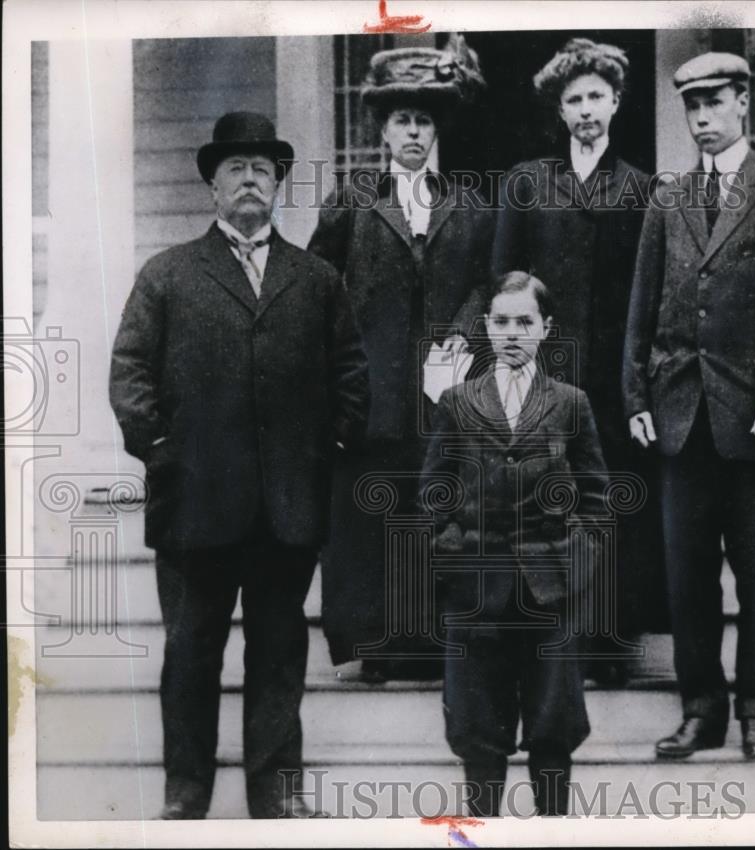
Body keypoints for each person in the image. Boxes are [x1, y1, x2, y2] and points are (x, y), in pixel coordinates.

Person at [109, 112, 369, 819]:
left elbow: (351, 375)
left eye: (263, 168)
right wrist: (160, 452)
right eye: (235, 168)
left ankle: (277, 797)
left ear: (279, 183)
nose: (250, 178)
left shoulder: (314, 279)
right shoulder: (166, 275)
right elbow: (130, 372)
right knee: (190, 658)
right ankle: (185, 795)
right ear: (212, 186)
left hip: (286, 510)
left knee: (279, 659)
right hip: (194, 506)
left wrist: (327, 454)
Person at [622, 53, 755, 760]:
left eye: (716, 102)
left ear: (744, 101)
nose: (703, 117)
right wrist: (636, 397)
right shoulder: (667, 199)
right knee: (687, 580)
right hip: (681, 418)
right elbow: (642, 311)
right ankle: (701, 711)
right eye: (692, 106)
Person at [308, 36, 494, 682]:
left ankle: (441, 643)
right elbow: (317, 288)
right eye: (401, 120)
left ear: (435, 129)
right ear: (383, 130)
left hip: (446, 390)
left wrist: (466, 337)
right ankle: (381, 646)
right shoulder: (351, 204)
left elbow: (489, 283)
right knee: (375, 512)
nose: (413, 132)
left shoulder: (469, 206)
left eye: (423, 120)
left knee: (439, 507)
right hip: (372, 389)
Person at [491, 38, 664, 684]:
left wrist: (639, 374)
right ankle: (548, 640)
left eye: (596, 96)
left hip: (617, 378)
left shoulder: (642, 188)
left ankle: (609, 644)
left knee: (611, 498)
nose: (586, 110)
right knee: (544, 501)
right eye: (574, 100)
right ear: (559, 111)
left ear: (615, 103)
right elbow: (506, 280)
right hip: (548, 373)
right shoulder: (528, 182)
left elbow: (654, 292)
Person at [422, 271, 608, 816]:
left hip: (549, 589)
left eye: (524, 322)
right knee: (478, 726)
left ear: (546, 328)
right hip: (475, 589)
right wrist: (453, 554)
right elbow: (434, 493)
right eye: (500, 322)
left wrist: (575, 560)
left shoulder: (571, 403)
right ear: (485, 327)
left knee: (552, 724)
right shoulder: (457, 402)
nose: (511, 333)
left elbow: (597, 497)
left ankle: (551, 829)